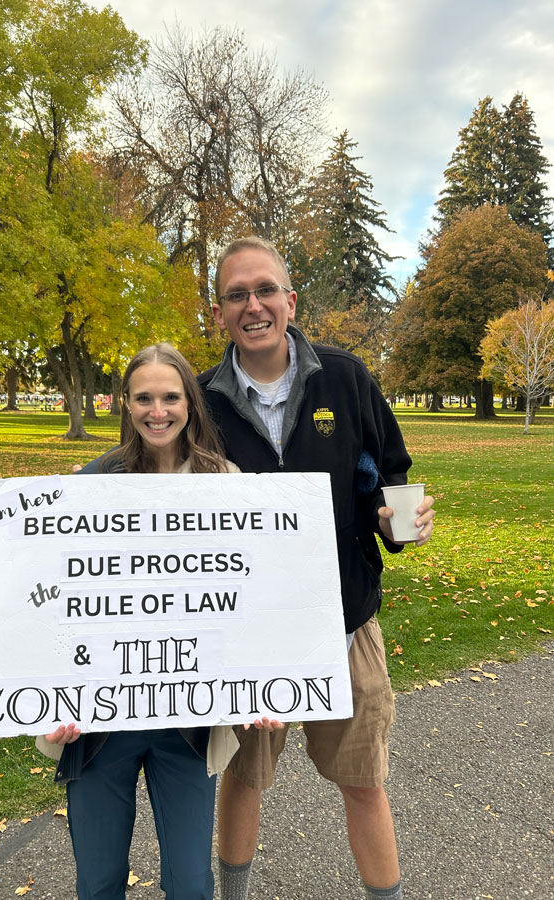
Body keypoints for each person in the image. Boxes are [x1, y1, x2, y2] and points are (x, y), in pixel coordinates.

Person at [197, 236, 436, 900]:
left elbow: (388, 477)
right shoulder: (199, 402)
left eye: (265, 289)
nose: (254, 305)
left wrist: (397, 522)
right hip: (244, 640)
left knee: (362, 779)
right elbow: (163, 500)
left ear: (290, 301)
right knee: (243, 778)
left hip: (344, 624)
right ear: (217, 313)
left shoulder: (345, 378)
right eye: (237, 294)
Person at [36, 342, 278, 900]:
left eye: (170, 396)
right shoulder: (89, 484)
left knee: (191, 884)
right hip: (99, 724)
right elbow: (55, 605)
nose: (157, 410)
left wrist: (263, 682)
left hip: (188, 724)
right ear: (126, 403)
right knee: (98, 883)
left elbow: (248, 596)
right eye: (144, 398)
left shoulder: (227, 484)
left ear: (190, 403)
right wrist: (48, 704)